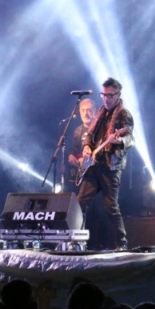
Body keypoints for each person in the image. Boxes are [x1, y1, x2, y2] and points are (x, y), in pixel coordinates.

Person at [77, 77, 135, 251]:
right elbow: (89, 134)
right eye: (104, 95)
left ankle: (121, 243)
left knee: (111, 206)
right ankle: (77, 240)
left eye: (110, 95)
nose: (106, 99)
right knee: (80, 202)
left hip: (111, 167)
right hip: (94, 165)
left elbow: (130, 138)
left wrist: (118, 141)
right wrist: (87, 146)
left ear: (118, 95)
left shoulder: (124, 114)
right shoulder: (100, 113)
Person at [68, 97, 109, 249]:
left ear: (95, 110)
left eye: (89, 109)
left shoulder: (101, 128)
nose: (86, 113)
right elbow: (73, 152)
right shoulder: (77, 131)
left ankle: (105, 245)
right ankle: (82, 242)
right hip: (85, 176)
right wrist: (74, 158)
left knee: (101, 210)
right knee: (81, 208)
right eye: (83, 110)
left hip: (100, 176)